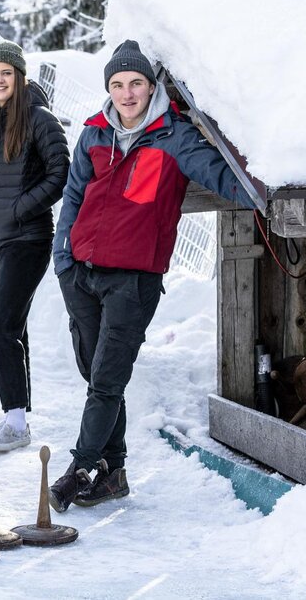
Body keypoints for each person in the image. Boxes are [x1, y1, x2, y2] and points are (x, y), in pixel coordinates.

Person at [49, 40, 256, 511]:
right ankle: (114, 473)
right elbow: (73, 197)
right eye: (118, 84)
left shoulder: (173, 136)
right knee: (98, 376)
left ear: (150, 86)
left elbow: (223, 177)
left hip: (133, 281)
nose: (127, 93)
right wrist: (63, 259)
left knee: (106, 381)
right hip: (81, 274)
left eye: (136, 83)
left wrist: (266, 189)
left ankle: (79, 469)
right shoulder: (94, 133)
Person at [0, 41, 69, 449]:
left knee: (1, 327)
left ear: (19, 77)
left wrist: (19, 209)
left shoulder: (40, 119)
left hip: (27, 239)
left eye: (6, 73)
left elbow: (60, 174)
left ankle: (16, 424)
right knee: (11, 329)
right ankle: (16, 418)